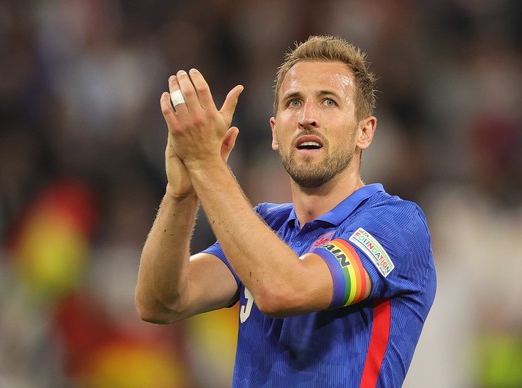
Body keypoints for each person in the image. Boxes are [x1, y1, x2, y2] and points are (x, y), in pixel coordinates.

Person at [135, 35, 436, 387]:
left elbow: (285, 289)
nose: (308, 117)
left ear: (364, 132)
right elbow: (160, 301)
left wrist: (207, 165)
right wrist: (183, 192)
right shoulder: (265, 227)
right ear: (275, 133)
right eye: (294, 102)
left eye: (328, 102)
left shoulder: (395, 224)